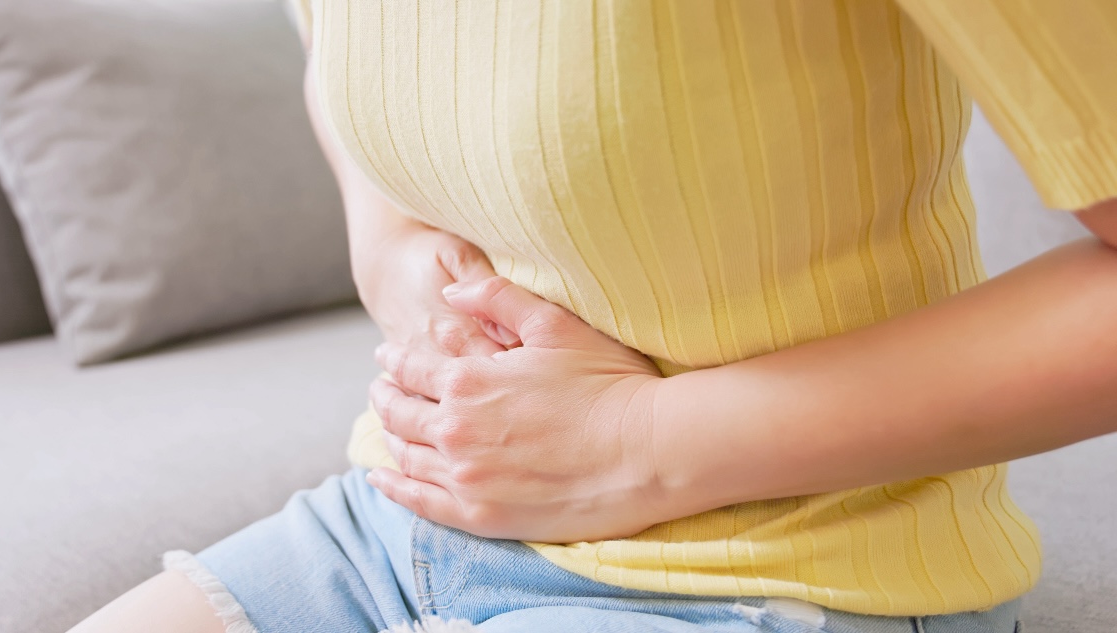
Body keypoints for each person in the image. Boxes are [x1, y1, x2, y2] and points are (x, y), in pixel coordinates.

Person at [70, 1, 1117, 631]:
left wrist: (636, 441)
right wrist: (394, 259)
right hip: (404, 524)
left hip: (789, 569)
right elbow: (341, 62)